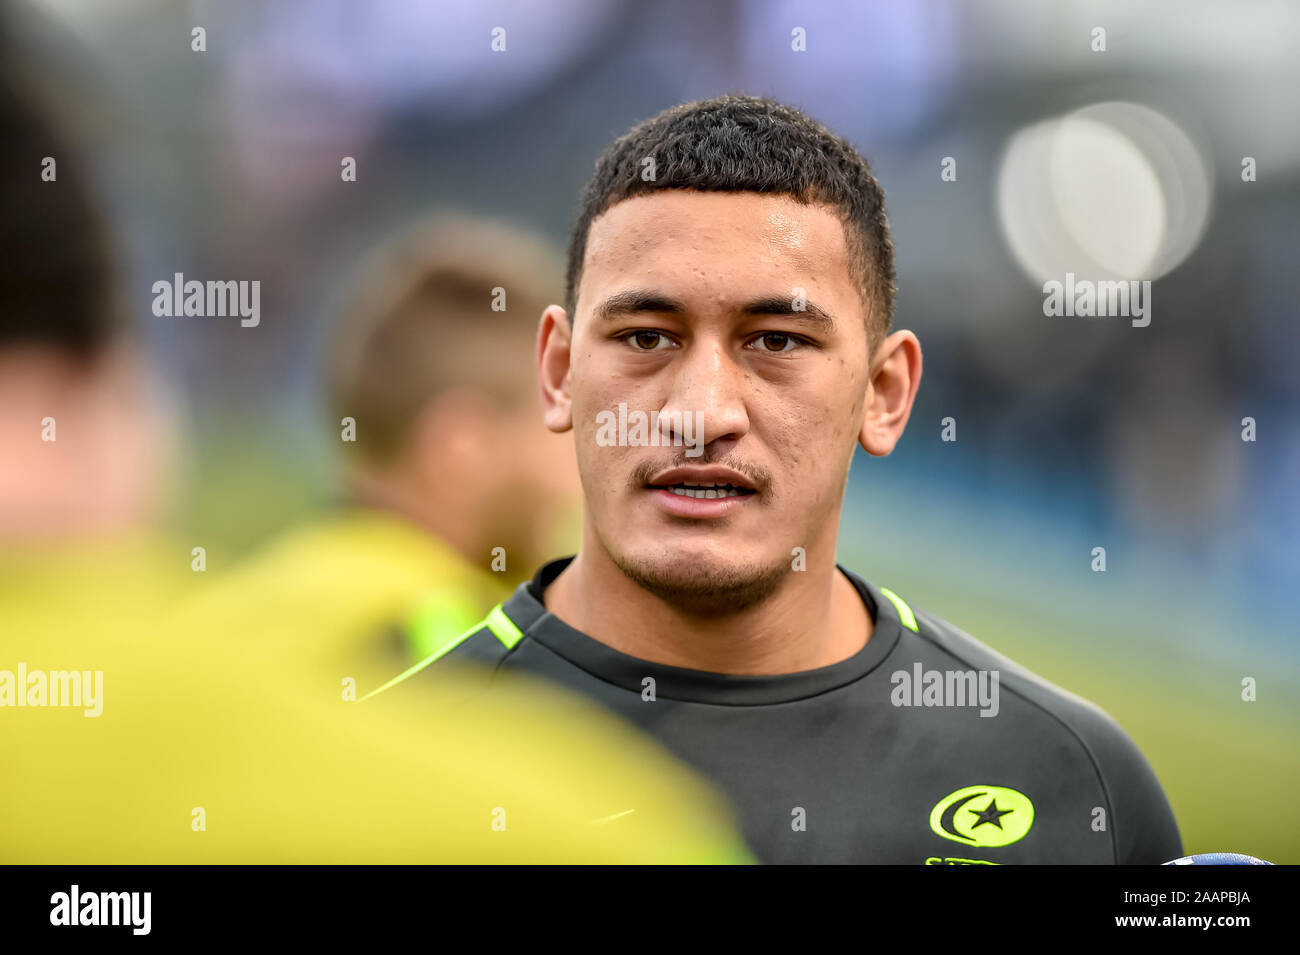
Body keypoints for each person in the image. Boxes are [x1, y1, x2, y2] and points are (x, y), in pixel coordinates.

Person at [369, 94, 1183, 865]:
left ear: (884, 393)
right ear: (557, 373)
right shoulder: (378, 761)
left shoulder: (1075, 781)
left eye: (778, 341)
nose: (702, 412)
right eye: (647, 336)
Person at [0, 64, 751, 865]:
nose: (584, 472)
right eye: (563, 426)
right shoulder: (476, 662)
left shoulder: (232, 604)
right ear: (461, 449)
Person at [178, 214, 581, 686]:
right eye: (561, 429)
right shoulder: (461, 651)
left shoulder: (219, 615)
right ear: (461, 450)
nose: (574, 483)